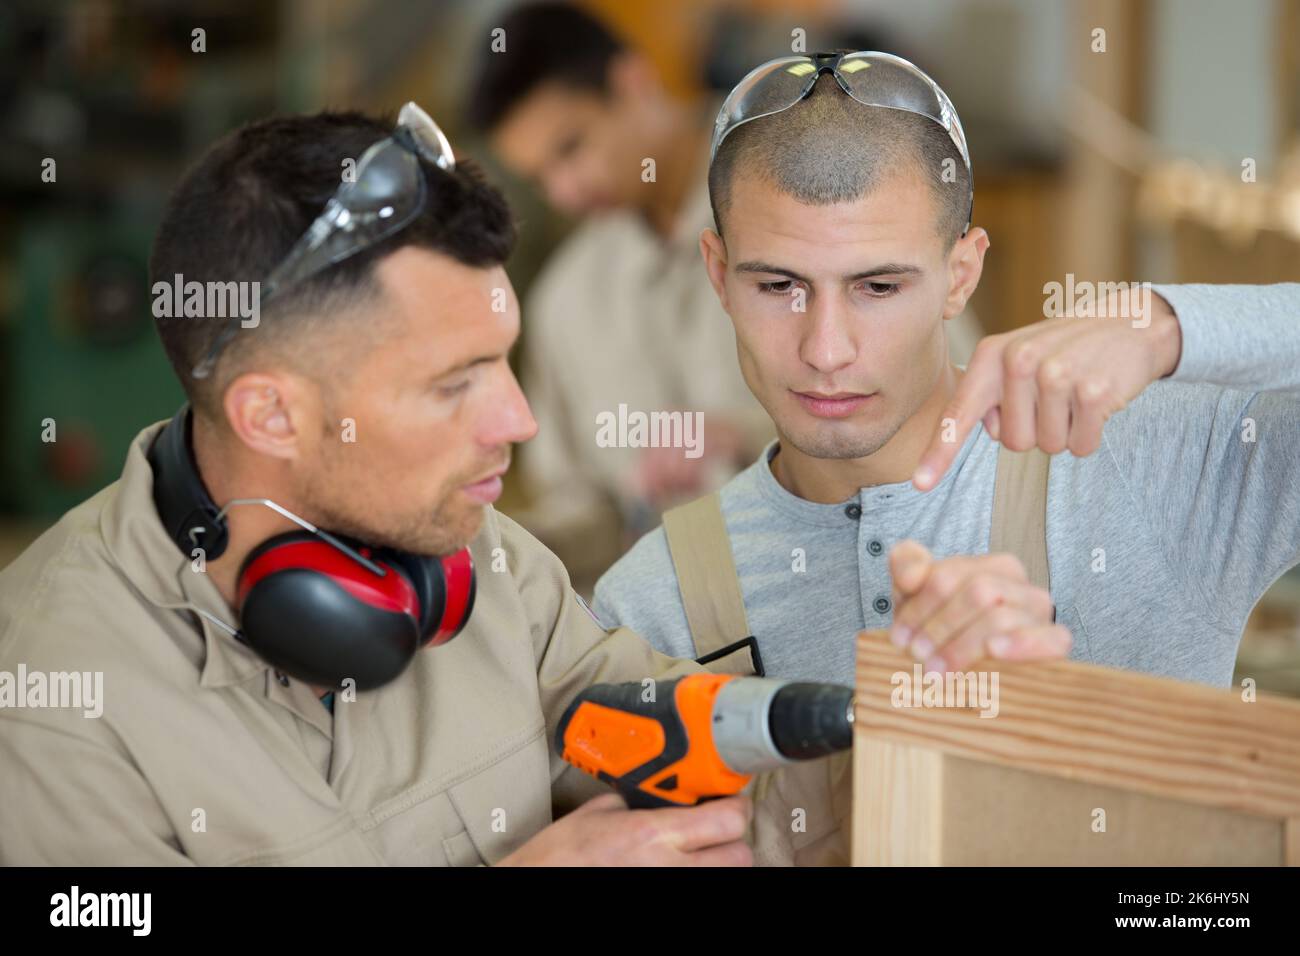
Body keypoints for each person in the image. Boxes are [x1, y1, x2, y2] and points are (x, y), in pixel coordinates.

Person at [0, 104, 844, 865]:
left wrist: (921, 709)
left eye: (504, 362)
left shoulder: (478, 560)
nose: (518, 420)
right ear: (271, 416)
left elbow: (727, 778)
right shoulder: (51, 706)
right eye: (455, 383)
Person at [593, 51, 1300, 689]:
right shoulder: (652, 605)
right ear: (718, 274)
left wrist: (1169, 327)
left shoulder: (1162, 462)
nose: (826, 350)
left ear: (961, 276)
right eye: (778, 287)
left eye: (879, 287)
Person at [465, 3, 773, 588]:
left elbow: (940, 414)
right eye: (539, 177)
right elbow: (584, 514)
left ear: (632, 83)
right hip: (672, 664)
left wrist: (742, 435)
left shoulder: (818, 198)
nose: (565, 192)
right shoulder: (566, 300)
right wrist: (490, 556)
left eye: (571, 147)